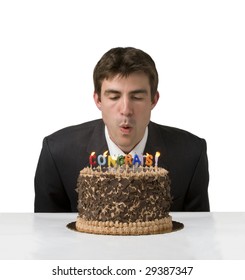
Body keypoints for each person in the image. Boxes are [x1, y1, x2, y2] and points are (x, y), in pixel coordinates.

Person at [34, 47, 210, 212]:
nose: (126, 109)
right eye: (114, 97)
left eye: (137, 97)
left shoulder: (191, 153)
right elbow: (46, 234)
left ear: (154, 100)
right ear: (98, 100)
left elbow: (198, 234)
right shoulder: (58, 152)